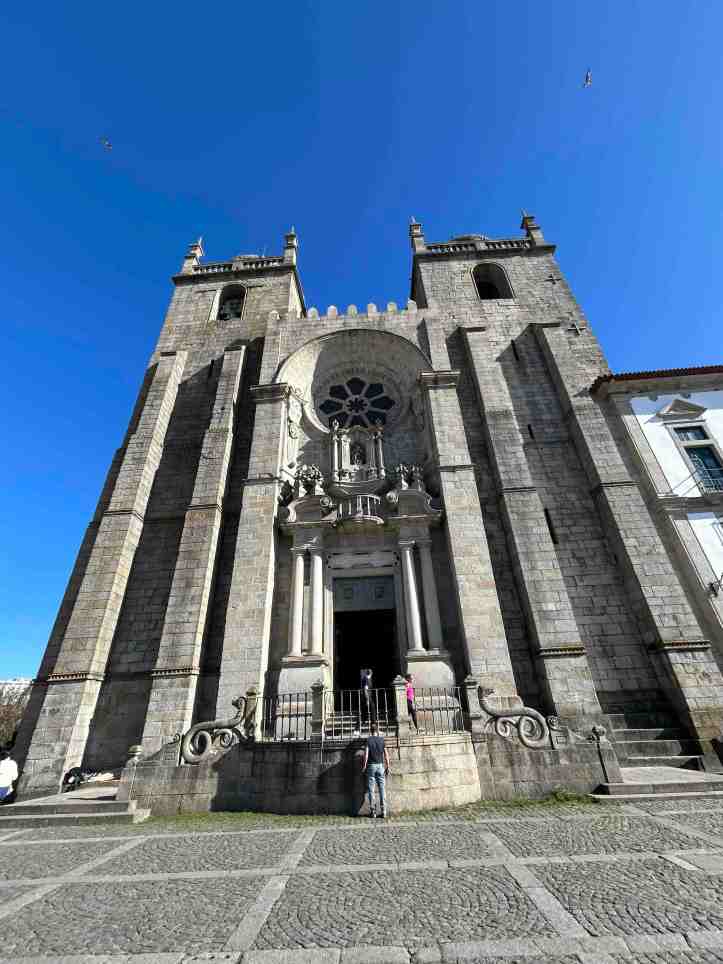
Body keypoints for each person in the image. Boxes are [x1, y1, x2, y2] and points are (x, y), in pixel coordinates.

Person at [362, 723, 390, 818]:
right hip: (380, 766)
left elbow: (366, 754)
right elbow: (386, 754)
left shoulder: (369, 740)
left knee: (371, 789)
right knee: (382, 788)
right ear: (377, 731)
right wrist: (388, 766)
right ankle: (384, 810)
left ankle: (373, 811)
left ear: (371, 731)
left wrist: (364, 766)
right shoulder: (382, 740)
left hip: (371, 766)